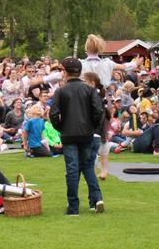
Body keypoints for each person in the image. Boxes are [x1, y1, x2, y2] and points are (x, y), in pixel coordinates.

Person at [49, 57, 105, 215]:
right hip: (86, 134)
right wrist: (91, 127)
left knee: (72, 169)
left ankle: (73, 207)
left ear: (65, 72)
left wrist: (61, 128)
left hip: (68, 135)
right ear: (80, 72)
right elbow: (98, 112)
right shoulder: (89, 89)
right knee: (87, 166)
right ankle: (95, 199)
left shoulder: (60, 90)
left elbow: (53, 114)